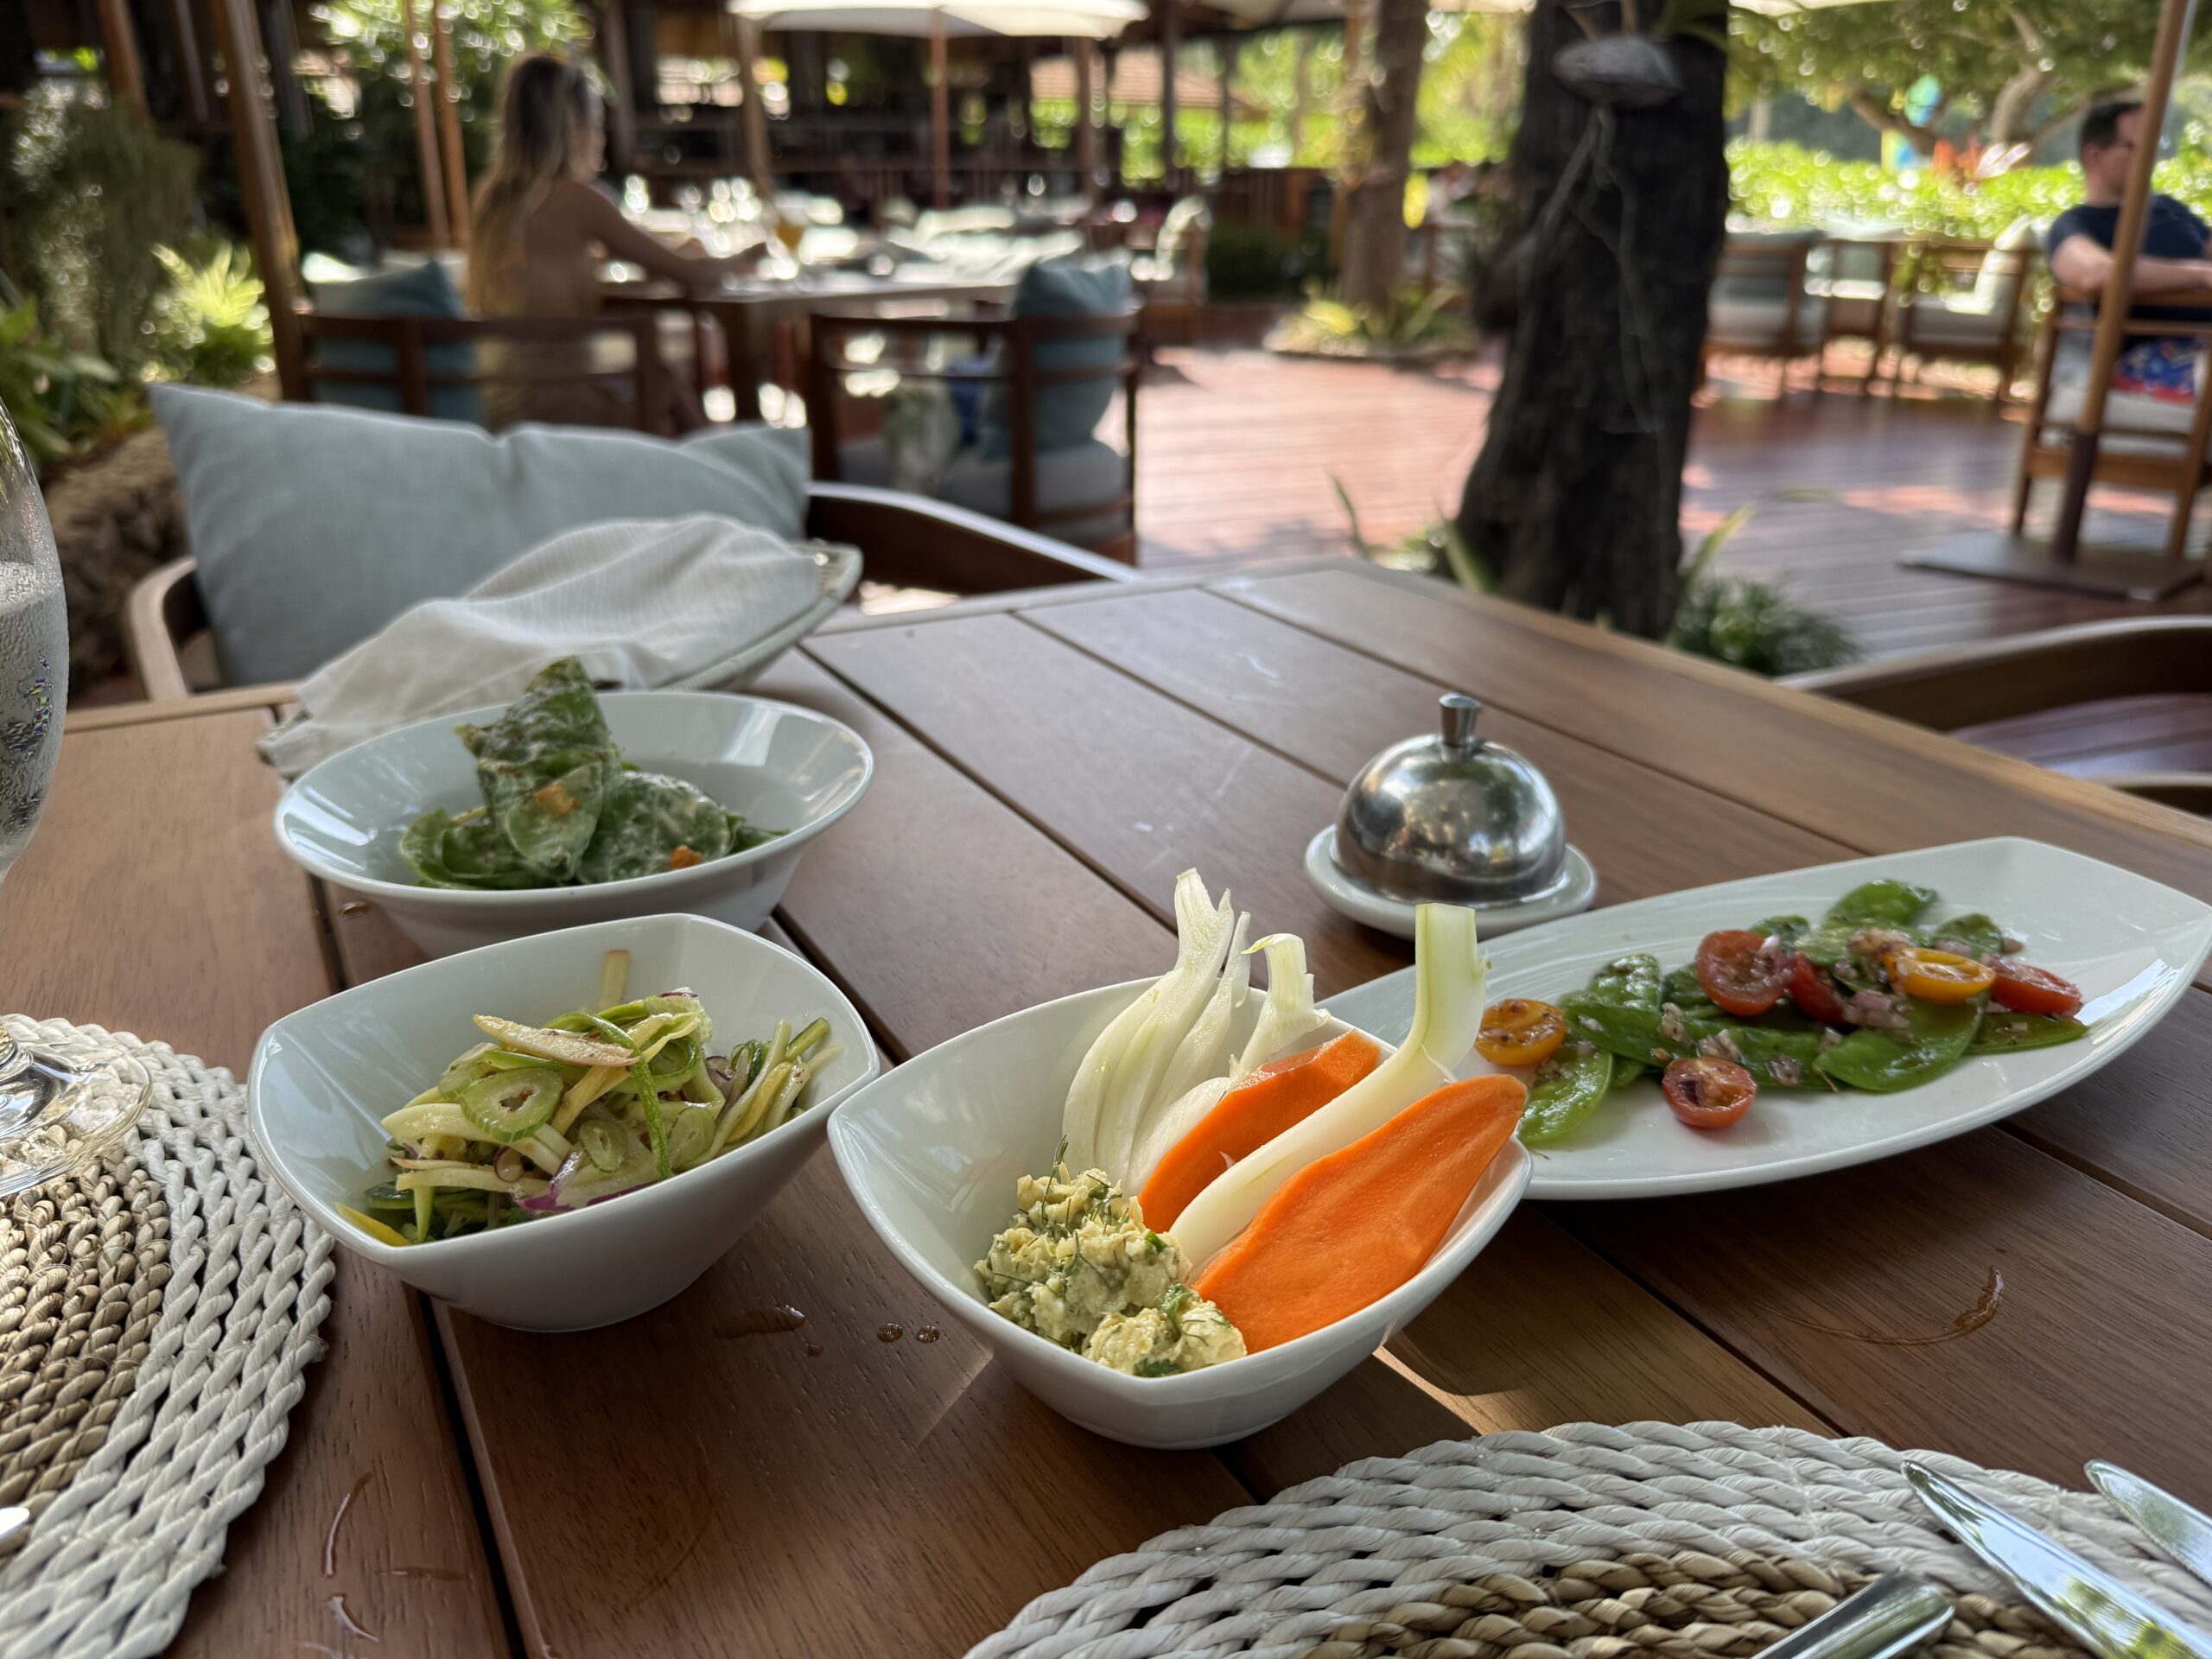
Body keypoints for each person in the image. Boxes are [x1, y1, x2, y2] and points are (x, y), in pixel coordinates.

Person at [466, 54, 760, 427]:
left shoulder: (492, 199)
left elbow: (552, 270)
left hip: (495, 397)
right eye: (598, 124)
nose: (602, 140)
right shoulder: (578, 199)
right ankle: (733, 475)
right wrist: (752, 254)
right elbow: (695, 276)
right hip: (555, 403)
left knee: (658, 378)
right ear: (573, 126)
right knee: (664, 382)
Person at [2046, 99, 2212, 403]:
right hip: (2154, 358)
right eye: (2138, 146)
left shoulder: (2171, 210)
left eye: (2156, 144)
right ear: (2096, 156)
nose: (2154, 157)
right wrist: (2199, 276)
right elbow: (2092, 273)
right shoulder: (2076, 224)